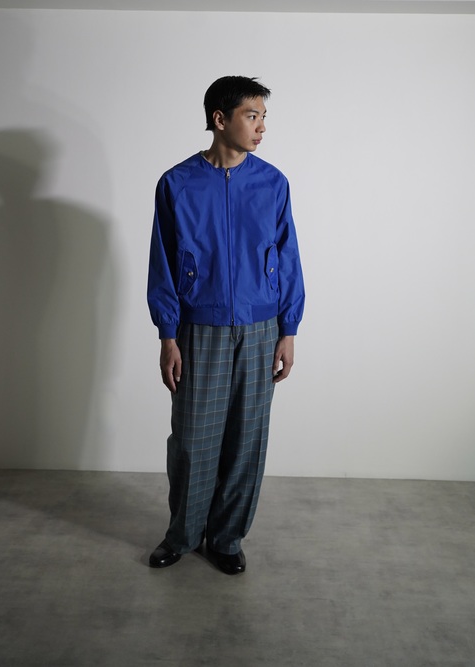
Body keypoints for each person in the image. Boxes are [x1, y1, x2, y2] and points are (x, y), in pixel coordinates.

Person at [147, 75, 305, 575]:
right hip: (200, 328)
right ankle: (183, 535)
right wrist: (168, 335)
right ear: (220, 119)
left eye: (263, 117)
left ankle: (226, 538)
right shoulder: (176, 184)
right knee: (192, 441)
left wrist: (288, 329)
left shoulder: (273, 183)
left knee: (246, 442)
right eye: (252, 116)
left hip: (261, 329)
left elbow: (288, 258)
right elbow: (162, 264)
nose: (261, 127)